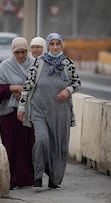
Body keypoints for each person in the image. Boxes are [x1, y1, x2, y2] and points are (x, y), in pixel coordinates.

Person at [17, 33, 81, 190]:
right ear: (48, 45)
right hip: (39, 110)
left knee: (59, 146)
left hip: (60, 112)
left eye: (57, 44)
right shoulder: (39, 63)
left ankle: (54, 178)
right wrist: (21, 107)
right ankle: (38, 176)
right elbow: (27, 86)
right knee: (42, 140)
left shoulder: (67, 63)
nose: (54, 47)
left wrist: (67, 90)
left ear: (61, 45)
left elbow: (77, 82)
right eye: (51, 44)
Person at [0, 37, 35, 190]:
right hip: (9, 113)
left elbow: (38, 86)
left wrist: (24, 92)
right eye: (17, 52)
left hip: (29, 112)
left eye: (23, 52)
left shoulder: (34, 65)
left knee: (27, 145)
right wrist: (12, 88)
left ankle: (27, 178)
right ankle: (11, 179)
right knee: (10, 146)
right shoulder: (5, 66)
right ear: (13, 52)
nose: (20, 56)